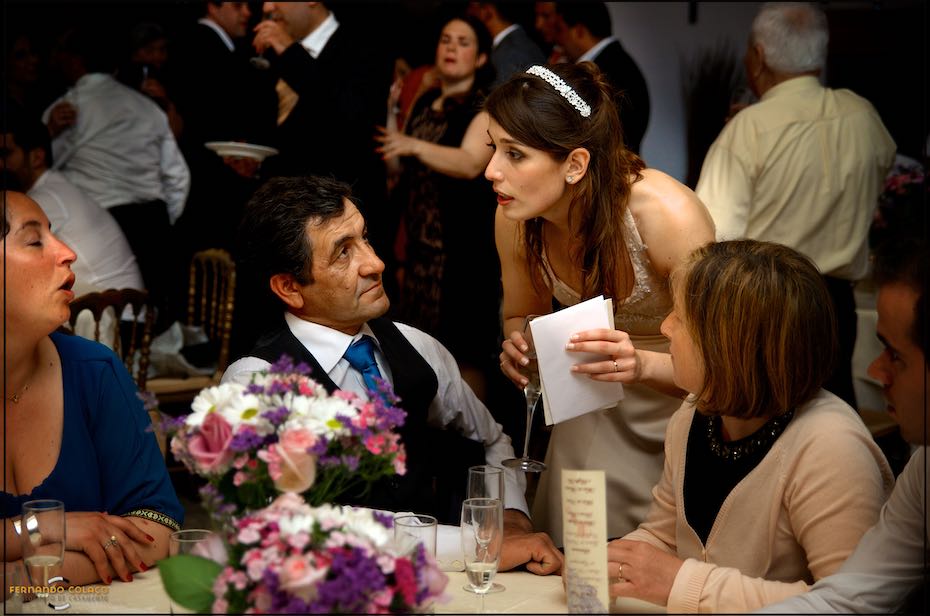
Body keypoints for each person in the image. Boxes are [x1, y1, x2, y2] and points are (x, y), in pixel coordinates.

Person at [223, 175, 563, 575]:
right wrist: (471, 545)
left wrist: (510, 516)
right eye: (343, 253)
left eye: (365, 238)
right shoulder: (255, 386)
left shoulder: (417, 346)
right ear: (289, 287)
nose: (376, 263)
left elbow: (489, 440)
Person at [595, 240, 894, 612]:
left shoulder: (831, 447)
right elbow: (665, 537)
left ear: (729, 348)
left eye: (681, 318)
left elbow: (851, 604)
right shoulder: (694, 413)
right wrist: (602, 563)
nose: (665, 327)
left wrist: (682, 582)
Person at [491, 61, 716, 545]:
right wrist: (523, 344)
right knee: (572, 565)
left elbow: (724, 365)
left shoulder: (667, 216)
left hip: (679, 404)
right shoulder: (514, 217)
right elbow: (522, 312)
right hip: (585, 400)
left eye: (515, 154)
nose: (491, 171)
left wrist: (639, 366)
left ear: (575, 164)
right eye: (494, 148)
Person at [695, 2, 896, 410]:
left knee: (773, 423)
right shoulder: (864, 116)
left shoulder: (748, 130)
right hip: (839, 307)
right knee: (834, 415)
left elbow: (710, 236)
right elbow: (883, 166)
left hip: (770, 304)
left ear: (760, 56)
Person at [1, 191, 184, 587]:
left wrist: (18, 576)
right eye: (35, 241)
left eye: (55, 235)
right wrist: (46, 527)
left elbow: (158, 530)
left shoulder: (94, 370)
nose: (68, 253)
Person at [757, 233, 929, 614]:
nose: (875, 370)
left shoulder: (830, 439)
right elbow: (852, 597)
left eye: (896, 356)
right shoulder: (923, 468)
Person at [376, 15, 500, 404]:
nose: (451, 48)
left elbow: (468, 163)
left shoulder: (485, 107)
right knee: (419, 352)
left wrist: (412, 145)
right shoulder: (428, 101)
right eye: (446, 39)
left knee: (464, 355)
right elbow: (396, 163)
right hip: (419, 254)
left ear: (480, 58)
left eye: (463, 42)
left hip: (461, 254)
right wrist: (393, 112)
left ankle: (478, 444)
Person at [42, 25, 190, 330]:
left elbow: (44, 166)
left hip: (97, 226)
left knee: (106, 320)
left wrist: (49, 133)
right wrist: (163, 221)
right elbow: (178, 177)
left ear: (75, 61)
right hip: (154, 222)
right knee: (152, 322)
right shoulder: (146, 107)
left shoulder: (68, 109)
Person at [552, 2, 651, 155]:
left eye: (559, 30)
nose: (556, 39)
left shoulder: (609, 69)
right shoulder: (614, 60)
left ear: (579, 31)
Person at [468, 2, 546, 88]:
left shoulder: (512, 51)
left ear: (487, 10)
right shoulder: (514, 44)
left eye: (472, 7)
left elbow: (507, 99)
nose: (468, 13)